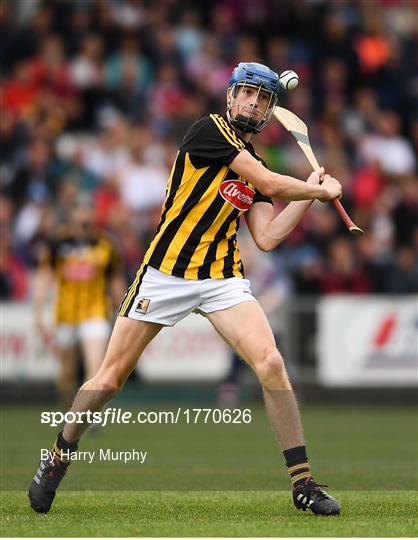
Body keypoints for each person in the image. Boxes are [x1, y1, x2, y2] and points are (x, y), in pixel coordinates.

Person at [29, 62, 342, 516]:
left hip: (221, 278)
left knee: (271, 362)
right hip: (165, 272)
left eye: (264, 99)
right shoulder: (208, 130)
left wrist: (312, 195)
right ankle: (57, 457)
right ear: (231, 96)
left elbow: (269, 238)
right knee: (109, 379)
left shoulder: (255, 164)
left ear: (270, 111)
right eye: (247, 93)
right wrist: (316, 193)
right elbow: (274, 184)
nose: (253, 103)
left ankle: (303, 484)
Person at [33, 201, 126, 406]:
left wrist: (122, 310)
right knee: (67, 370)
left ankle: (89, 413)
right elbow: (44, 275)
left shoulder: (107, 243)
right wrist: (38, 311)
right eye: (80, 210)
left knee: (95, 364)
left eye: (88, 210)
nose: (84, 216)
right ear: (73, 213)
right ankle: (69, 413)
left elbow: (115, 279)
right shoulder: (57, 242)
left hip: (96, 310)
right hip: (66, 313)